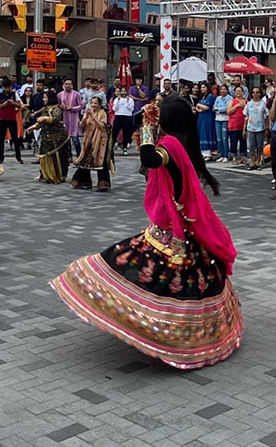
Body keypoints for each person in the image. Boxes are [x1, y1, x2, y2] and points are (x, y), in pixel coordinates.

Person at [53, 94, 242, 369]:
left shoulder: (170, 144)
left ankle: (166, 333)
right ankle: (185, 332)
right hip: (178, 223)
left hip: (173, 228)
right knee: (171, 277)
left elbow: (150, 159)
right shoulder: (183, 143)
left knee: (157, 275)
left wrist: (145, 129)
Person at [69, 92, 114, 192]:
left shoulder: (102, 113)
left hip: (100, 140)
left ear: (99, 105)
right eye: (92, 103)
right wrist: (85, 118)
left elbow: (102, 126)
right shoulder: (87, 112)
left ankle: (103, 183)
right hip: (88, 139)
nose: (93, 105)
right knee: (85, 159)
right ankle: (85, 182)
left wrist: (93, 117)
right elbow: (81, 126)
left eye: (95, 103)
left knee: (101, 161)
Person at [35, 100, 72, 184]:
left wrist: (45, 118)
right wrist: (33, 127)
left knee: (59, 156)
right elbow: (39, 122)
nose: (44, 99)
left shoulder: (56, 109)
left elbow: (55, 119)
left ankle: (59, 176)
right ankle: (45, 175)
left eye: (45, 97)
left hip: (58, 137)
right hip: (46, 136)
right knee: (45, 156)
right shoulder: (45, 109)